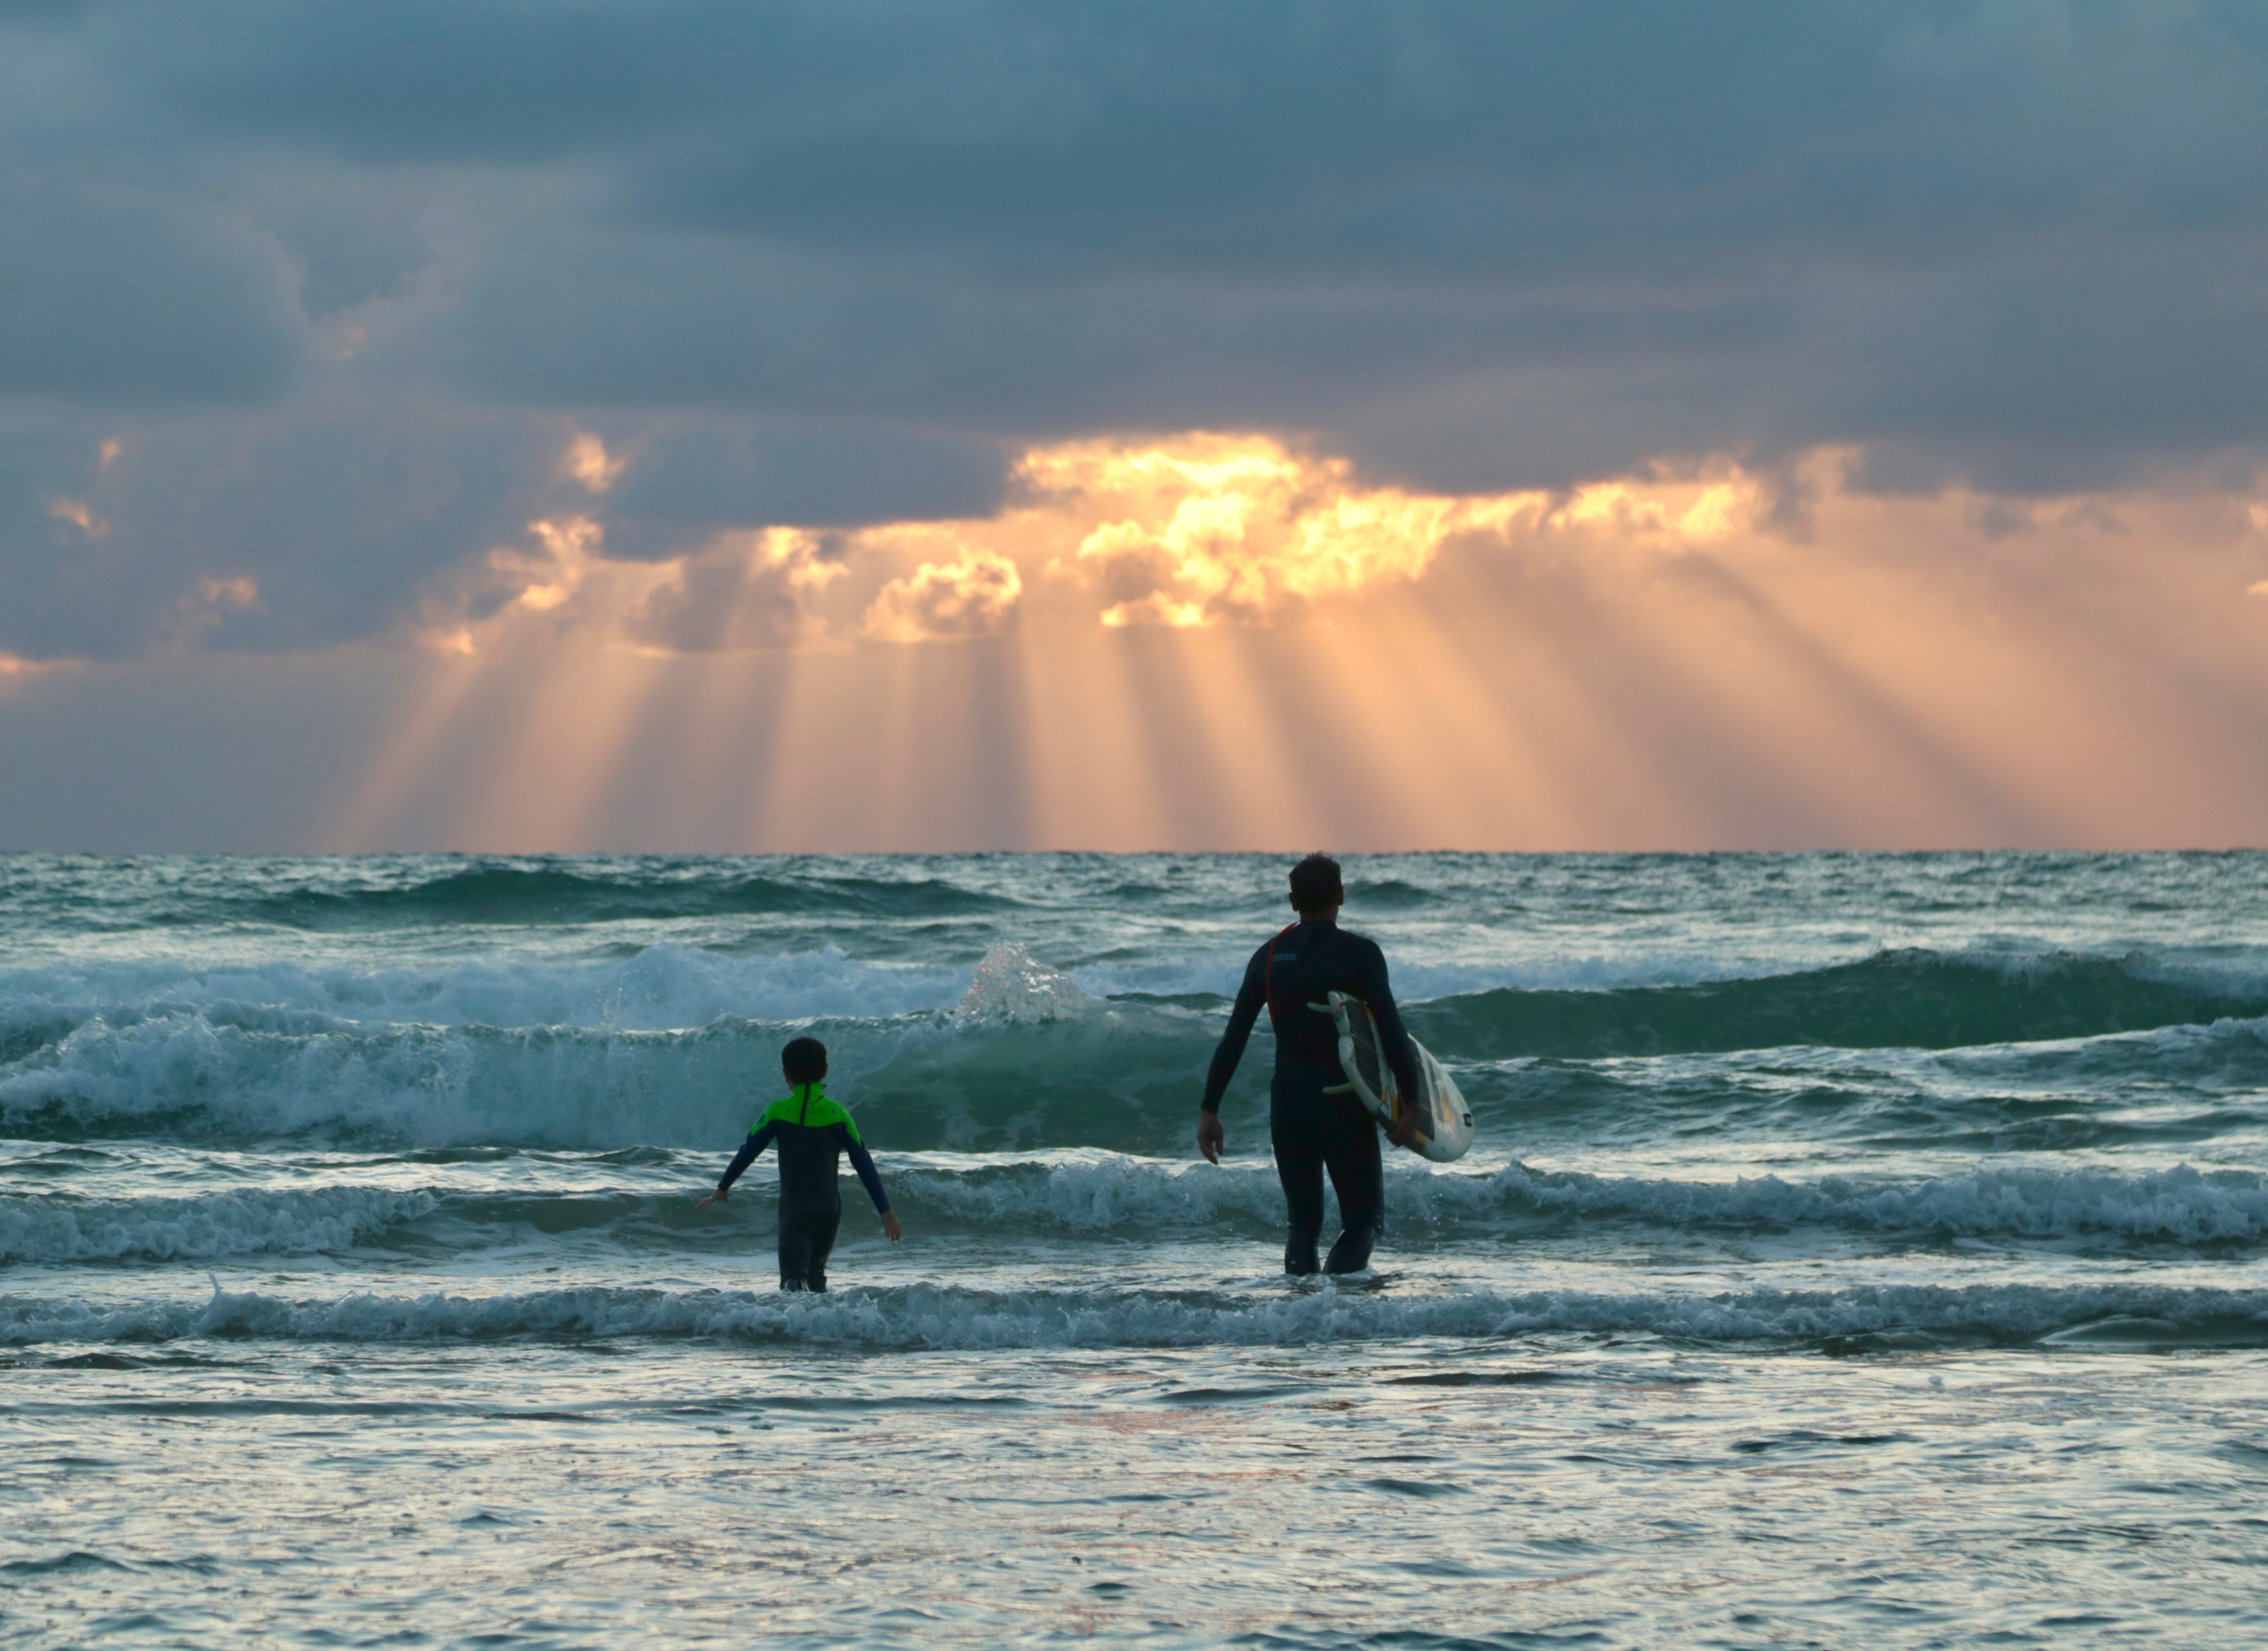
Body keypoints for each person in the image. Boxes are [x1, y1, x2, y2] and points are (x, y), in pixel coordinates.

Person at [1197, 853, 1423, 1275]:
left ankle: (1300, 1308)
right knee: (1364, 1221)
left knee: (1302, 1225)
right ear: (1341, 896)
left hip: (1288, 1105)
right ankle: (1335, 1306)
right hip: (1343, 1103)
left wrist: (1210, 1108)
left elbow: (1234, 1038)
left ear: (1292, 901)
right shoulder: (1361, 954)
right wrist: (1412, 1102)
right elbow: (1391, 1030)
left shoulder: (1267, 957)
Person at [696, 1035, 903, 1291]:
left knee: (793, 1281)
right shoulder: (839, 1114)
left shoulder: (777, 1111)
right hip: (829, 1210)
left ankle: (795, 1318)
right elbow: (863, 1163)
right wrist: (885, 1211)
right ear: (825, 1071)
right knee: (815, 1279)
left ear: (786, 1074)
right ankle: (824, 1318)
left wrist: (723, 1187)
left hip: (796, 1210)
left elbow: (748, 1152)